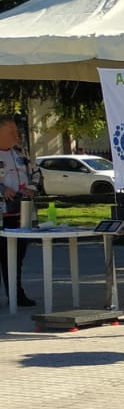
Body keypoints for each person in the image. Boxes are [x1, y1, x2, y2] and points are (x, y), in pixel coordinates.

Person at [0, 115, 41, 307]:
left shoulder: (21, 154)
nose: (16, 136)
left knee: (16, 257)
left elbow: (36, 173)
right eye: (11, 132)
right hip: (2, 215)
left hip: (21, 213)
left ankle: (16, 294)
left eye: (16, 131)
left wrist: (31, 189)